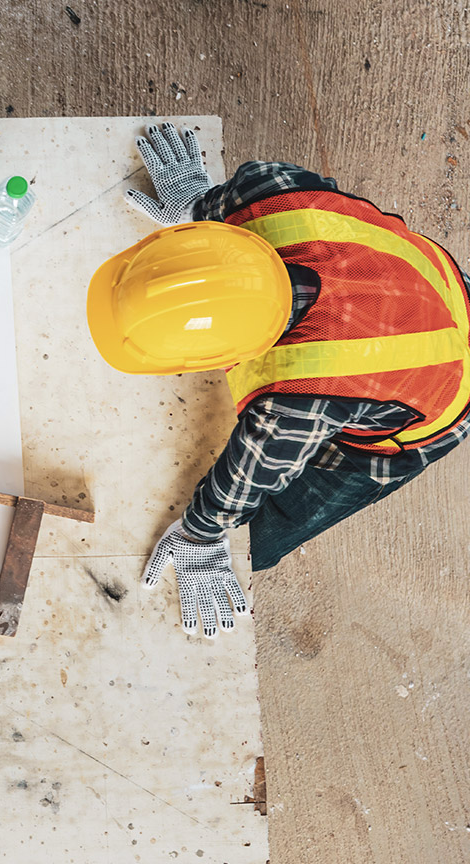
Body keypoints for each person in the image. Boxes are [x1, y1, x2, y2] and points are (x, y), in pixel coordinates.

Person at [90, 123, 470, 637]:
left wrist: (202, 534)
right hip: (437, 286)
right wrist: (199, 208)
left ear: (234, 354)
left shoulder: (300, 396)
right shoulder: (263, 192)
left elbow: (251, 473)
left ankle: (244, 551)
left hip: (440, 395)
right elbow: (223, 227)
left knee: (278, 515)